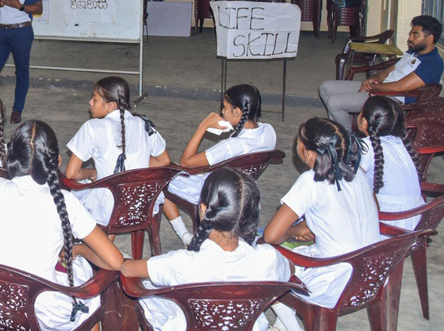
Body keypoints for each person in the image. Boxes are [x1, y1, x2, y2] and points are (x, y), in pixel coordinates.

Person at [0, 120, 124, 329]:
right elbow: (116, 262)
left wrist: (6, 235)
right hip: (45, 314)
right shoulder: (64, 201)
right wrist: (79, 249)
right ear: (56, 161)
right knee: (85, 274)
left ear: (10, 157)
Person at [120, 168, 291, 331]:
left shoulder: (180, 264)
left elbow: (128, 269)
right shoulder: (268, 259)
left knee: (135, 282)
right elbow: (290, 268)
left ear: (203, 210)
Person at [263, 118, 380, 331]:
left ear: (308, 153)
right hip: (370, 276)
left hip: (333, 282)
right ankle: (281, 324)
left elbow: (272, 235)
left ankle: (291, 326)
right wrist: (315, 227)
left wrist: (295, 231)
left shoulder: (311, 181)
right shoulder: (358, 173)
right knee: (297, 252)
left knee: (262, 258)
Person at [163, 84, 275, 245]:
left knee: (159, 177)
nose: (222, 111)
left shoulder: (230, 147)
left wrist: (203, 127)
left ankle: (184, 235)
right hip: (242, 189)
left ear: (237, 112)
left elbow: (186, 162)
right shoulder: (269, 131)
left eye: (225, 107)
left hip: (213, 191)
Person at [65, 76, 170, 225]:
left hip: (109, 209)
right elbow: (163, 160)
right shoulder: (144, 124)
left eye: (94, 99)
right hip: (142, 206)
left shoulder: (92, 127)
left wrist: (94, 173)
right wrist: (134, 167)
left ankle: (90, 245)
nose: (90, 102)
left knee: (68, 196)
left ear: (111, 106)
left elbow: (71, 173)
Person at [319, 15, 444, 128]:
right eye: (410, 34)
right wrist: (373, 79)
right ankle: (343, 127)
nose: (409, 38)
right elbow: (390, 70)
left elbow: (399, 87)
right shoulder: (413, 52)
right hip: (381, 89)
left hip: (394, 100)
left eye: (415, 35)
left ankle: (349, 140)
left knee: (334, 103)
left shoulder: (432, 63)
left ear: (430, 38)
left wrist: (374, 88)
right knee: (325, 87)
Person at [357, 96, 424, 230]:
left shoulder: (365, 147)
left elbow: (351, 188)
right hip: (417, 221)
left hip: (391, 225)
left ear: (364, 122)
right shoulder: (400, 142)